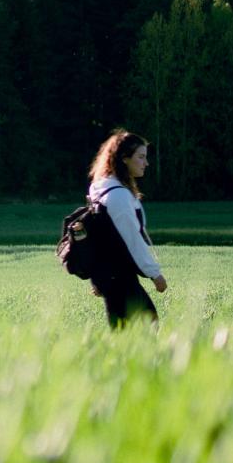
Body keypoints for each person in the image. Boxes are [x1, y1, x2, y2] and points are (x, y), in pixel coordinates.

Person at [87, 130, 167, 327]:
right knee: (147, 325)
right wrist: (154, 274)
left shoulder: (100, 188)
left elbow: (101, 238)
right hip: (118, 277)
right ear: (124, 159)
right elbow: (133, 240)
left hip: (111, 276)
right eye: (140, 157)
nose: (146, 163)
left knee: (126, 333)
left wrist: (97, 277)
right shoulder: (118, 197)